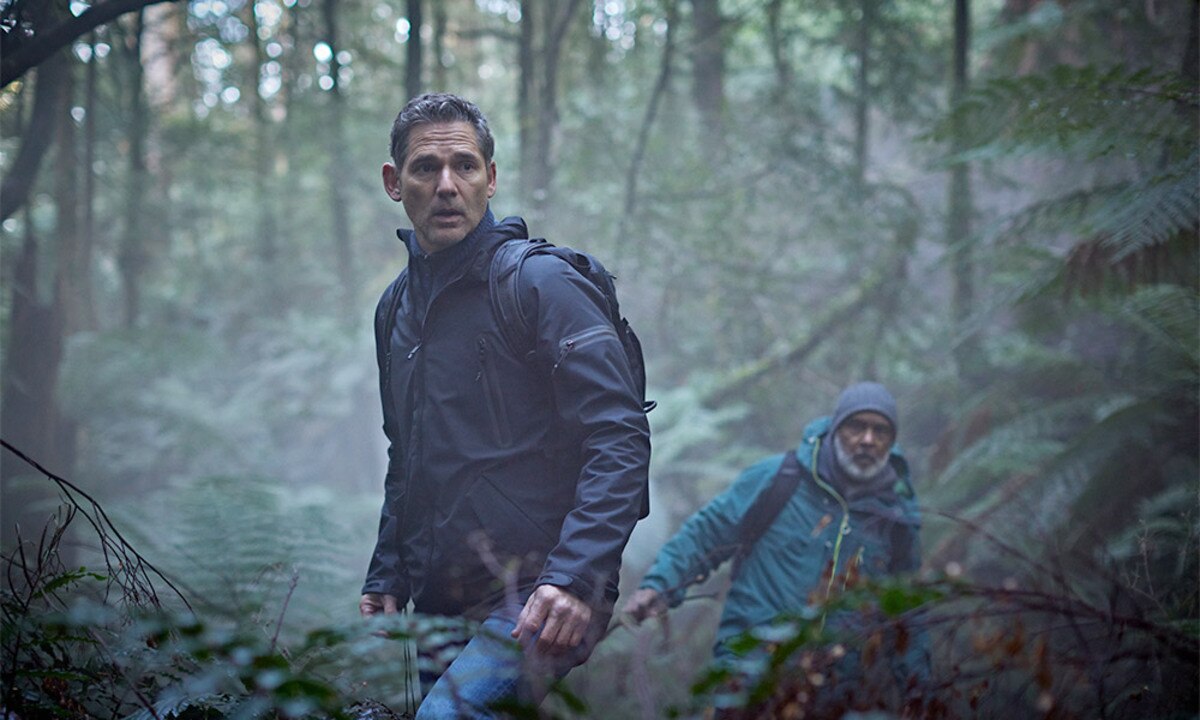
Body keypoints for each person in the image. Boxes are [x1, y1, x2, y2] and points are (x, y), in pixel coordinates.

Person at [359, 93, 651, 718]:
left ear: (491, 179)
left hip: (545, 587)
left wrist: (575, 577)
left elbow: (620, 437)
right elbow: (406, 453)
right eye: (424, 168)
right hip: (442, 597)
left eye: (464, 166)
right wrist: (390, 572)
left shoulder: (541, 283)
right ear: (393, 182)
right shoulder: (395, 310)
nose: (446, 186)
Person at [623, 382, 925, 714]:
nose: (868, 439)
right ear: (836, 429)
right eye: (857, 426)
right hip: (747, 677)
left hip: (836, 691)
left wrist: (920, 691)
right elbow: (706, 533)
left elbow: (906, 614)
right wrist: (660, 584)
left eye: (880, 431)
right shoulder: (780, 478)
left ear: (891, 441)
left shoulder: (897, 518)